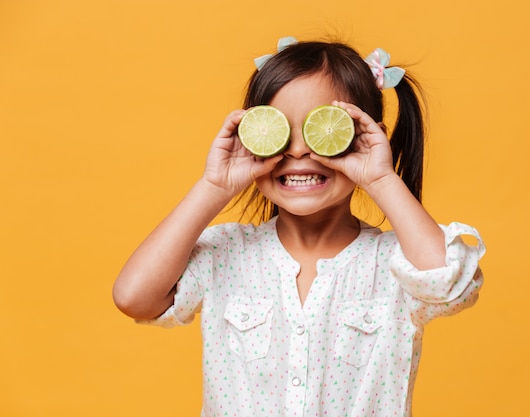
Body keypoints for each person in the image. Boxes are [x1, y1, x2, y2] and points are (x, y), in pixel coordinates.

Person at [113, 36, 486, 417]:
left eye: (320, 129)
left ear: (365, 136)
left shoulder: (396, 263)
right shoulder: (227, 253)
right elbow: (133, 297)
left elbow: (447, 283)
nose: (296, 151)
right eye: (278, 131)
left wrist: (381, 179)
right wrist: (214, 187)